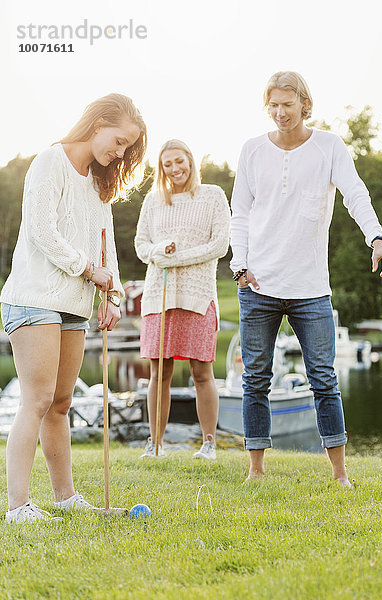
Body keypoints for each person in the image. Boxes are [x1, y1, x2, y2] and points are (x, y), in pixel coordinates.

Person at [230, 71, 382, 485]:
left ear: (305, 104)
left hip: (310, 288)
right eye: (274, 105)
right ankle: (256, 470)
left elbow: (355, 193)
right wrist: (240, 264)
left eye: (288, 104)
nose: (280, 112)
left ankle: (340, 474)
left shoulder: (329, 147)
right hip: (258, 285)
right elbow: (240, 215)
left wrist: (376, 237)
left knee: (324, 378)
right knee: (256, 379)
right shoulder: (252, 150)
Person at [0, 94, 147, 523]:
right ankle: (18, 507)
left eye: (125, 148)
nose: (118, 153)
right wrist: (88, 270)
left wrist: (113, 293)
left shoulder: (98, 183)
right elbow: (43, 231)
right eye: (118, 141)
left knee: (62, 402)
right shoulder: (50, 161)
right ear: (98, 122)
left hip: (74, 305)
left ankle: (65, 498)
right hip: (35, 298)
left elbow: (106, 245)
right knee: (38, 399)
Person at [135, 139, 230, 460]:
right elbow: (141, 245)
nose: (175, 169)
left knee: (201, 372)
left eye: (179, 161)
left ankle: (208, 444)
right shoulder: (153, 201)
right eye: (167, 164)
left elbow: (219, 245)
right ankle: (155, 444)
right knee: (158, 373)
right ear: (160, 169)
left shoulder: (212, 196)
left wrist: (180, 257)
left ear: (191, 160)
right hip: (157, 297)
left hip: (198, 294)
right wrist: (159, 251)